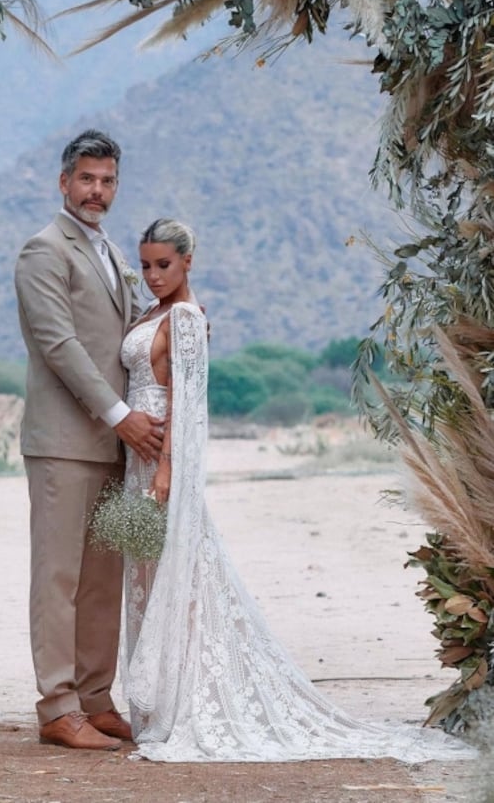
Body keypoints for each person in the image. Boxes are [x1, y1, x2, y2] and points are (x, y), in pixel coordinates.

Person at [119, 217, 474, 763]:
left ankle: (182, 697)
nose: (152, 275)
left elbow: (189, 403)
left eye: (163, 264)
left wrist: (168, 471)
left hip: (162, 457)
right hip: (134, 456)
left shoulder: (187, 318)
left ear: (189, 261)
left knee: (179, 574)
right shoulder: (152, 313)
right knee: (150, 576)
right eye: (145, 265)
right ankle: (155, 699)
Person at [14, 130, 164, 751]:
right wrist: (118, 414)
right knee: (59, 576)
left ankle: (97, 699)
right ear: (63, 182)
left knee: (104, 577)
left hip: (114, 446)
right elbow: (59, 346)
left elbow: (126, 332)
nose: (96, 191)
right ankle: (57, 706)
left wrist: (179, 317)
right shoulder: (43, 252)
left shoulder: (109, 253)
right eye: (86, 179)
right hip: (65, 441)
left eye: (106, 181)